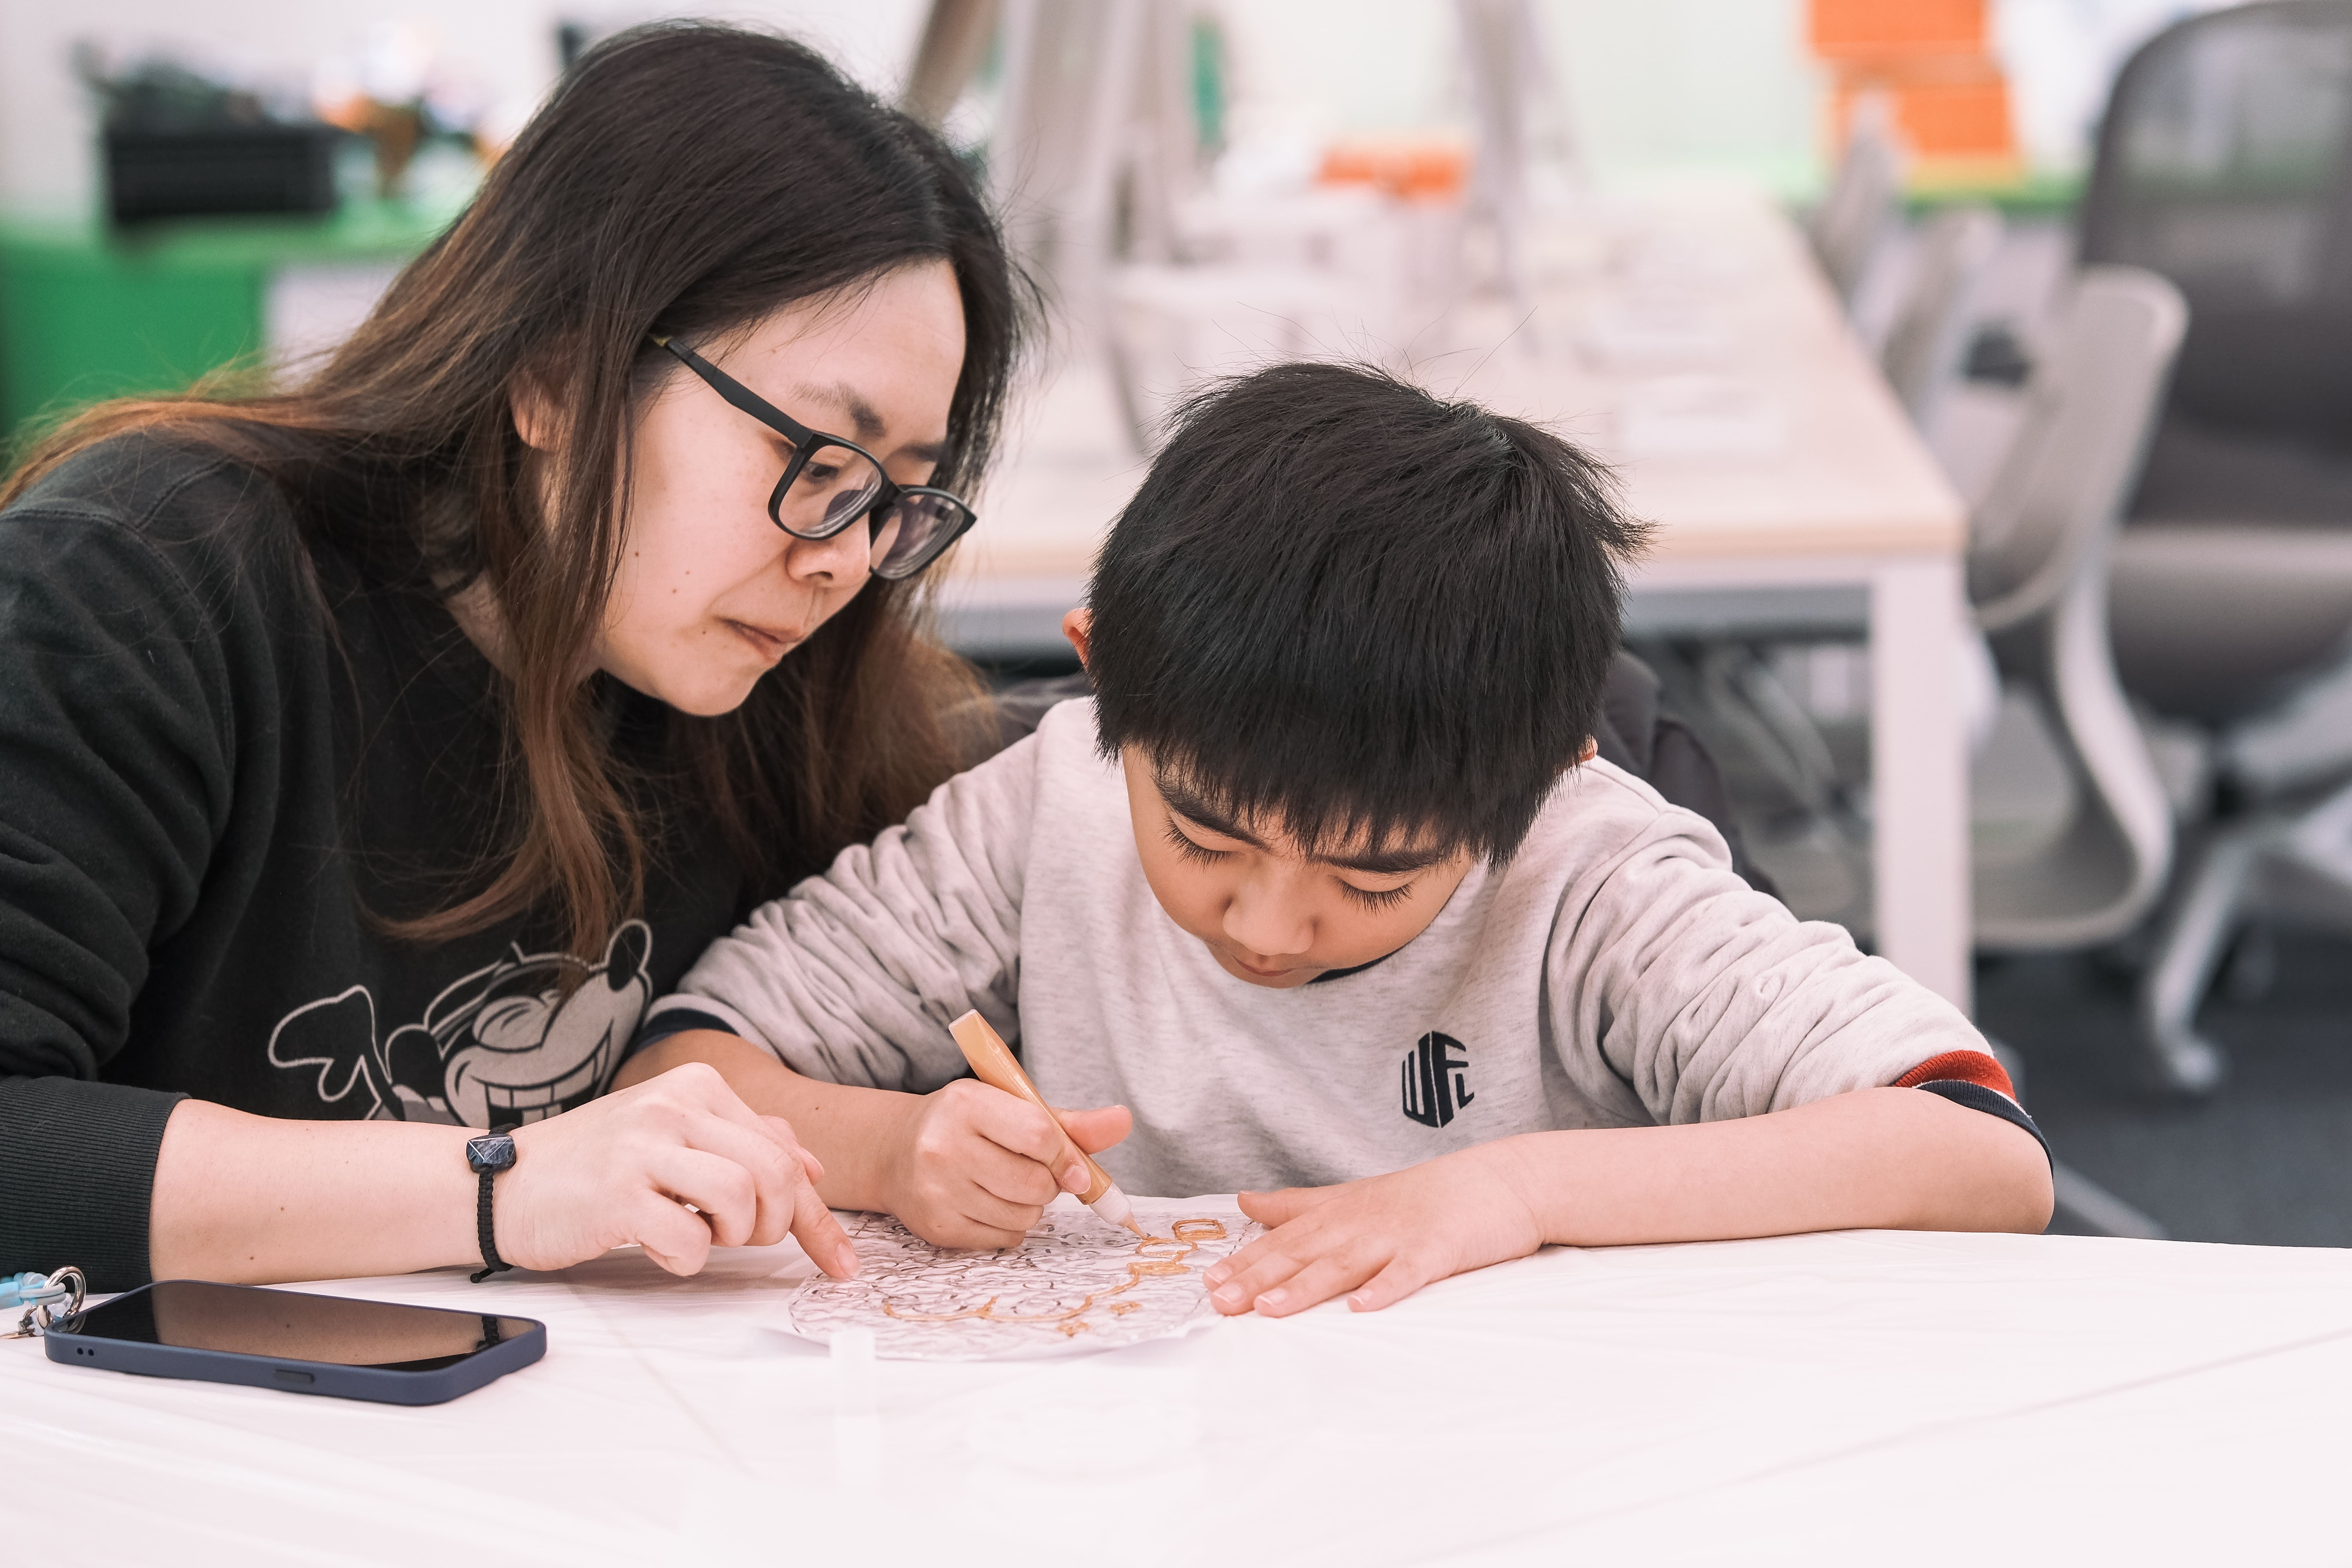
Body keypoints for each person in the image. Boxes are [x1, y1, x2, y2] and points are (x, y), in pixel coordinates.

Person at [623, 363, 2055, 1317]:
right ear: (1104, 677)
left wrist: (1512, 1189)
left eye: (1375, 877)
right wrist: (892, 1147)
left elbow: (1980, 1152)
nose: (1266, 925)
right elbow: (681, 1066)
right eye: (1202, 837)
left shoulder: (1588, 875)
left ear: (1544, 777)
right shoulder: (1048, 801)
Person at [0, 23, 1029, 1291]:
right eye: (815, 460)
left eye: (894, 498)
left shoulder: (789, 695)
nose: (846, 560)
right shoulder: (147, 582)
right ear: (555, 379)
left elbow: (1055, 803)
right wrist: (509, 1185)